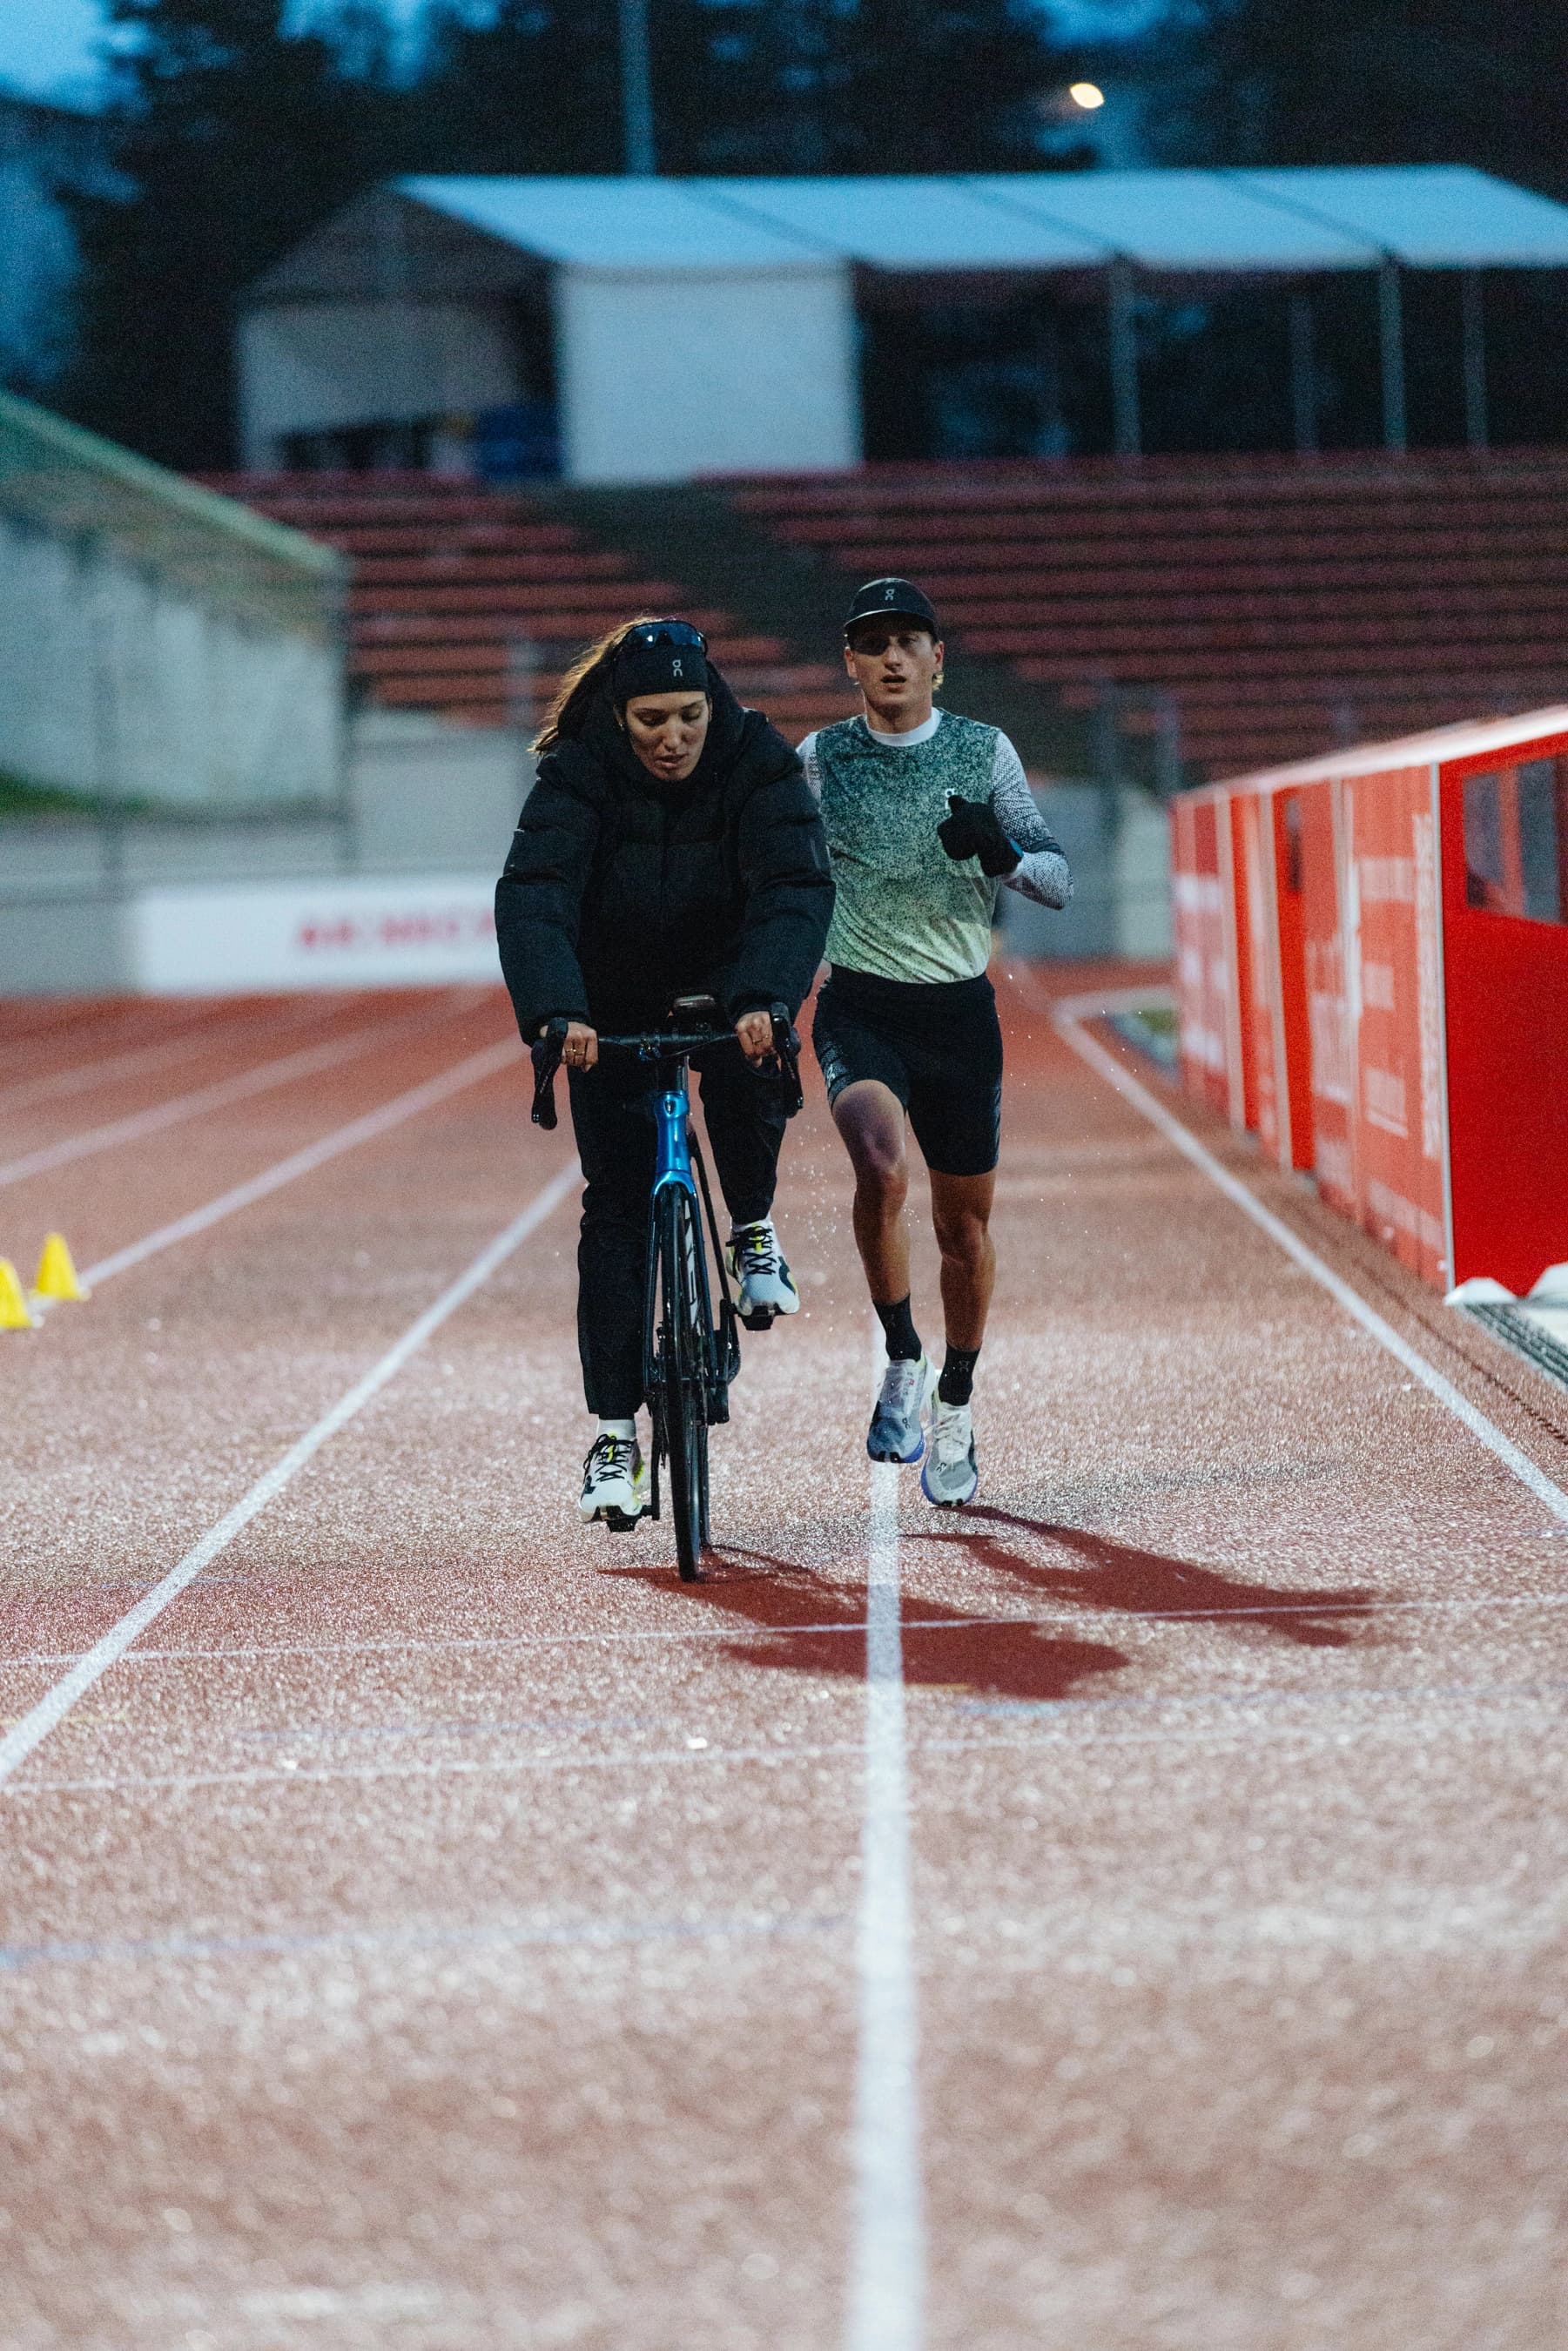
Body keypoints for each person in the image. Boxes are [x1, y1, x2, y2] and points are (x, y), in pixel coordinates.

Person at [496, 617, 833, 1527]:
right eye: (652, 720)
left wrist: (766, 996)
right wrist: (556, 1012)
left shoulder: (756, 758)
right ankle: (614, 1435)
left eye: (689, 715)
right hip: (605, 1004)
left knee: (749, 1074)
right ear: (619, 711)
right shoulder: (578, 771)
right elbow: (536, 895)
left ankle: (751, 1227)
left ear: (710, 703)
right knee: (614, 1209)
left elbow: (795, 886)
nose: (673, 737)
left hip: (729, 984)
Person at [800, 576, 1073, 1506]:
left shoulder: (981, 749)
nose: (889, 658)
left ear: (935, 659)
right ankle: (902, 1358)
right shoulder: (821, 758)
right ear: (850, 663)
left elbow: (1056, 877)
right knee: (879, 1171)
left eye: (906, 642)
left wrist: (1000, 856)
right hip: (860, 1005)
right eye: (870, 643)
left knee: (963, 1230)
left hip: (958, 1016)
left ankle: (955, 1400)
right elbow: (780, 871)